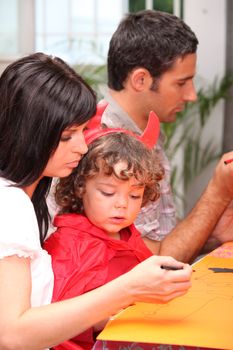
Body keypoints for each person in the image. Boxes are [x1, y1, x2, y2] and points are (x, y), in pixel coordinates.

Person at [0, 52, 193, 350]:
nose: (81, 147)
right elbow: (11, 335)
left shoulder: (28, 199)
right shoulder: (11, 204)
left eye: (82, 131)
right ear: (30, 134)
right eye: (68, 135)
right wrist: (129, 288)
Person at [100, 9, 233, 260]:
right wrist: (219, 191)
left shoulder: (146, 130)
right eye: (182, 83)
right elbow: (150, 262)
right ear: (140, 80)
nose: (192, 95)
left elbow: (165, 240)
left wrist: (213, 235)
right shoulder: (106, 145)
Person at [44, 109, 170, 349]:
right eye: (108, 192)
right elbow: (60, 320)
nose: (122, 204)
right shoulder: (69, 246)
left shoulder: (127, 233)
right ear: (80, 186)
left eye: (135, 195)